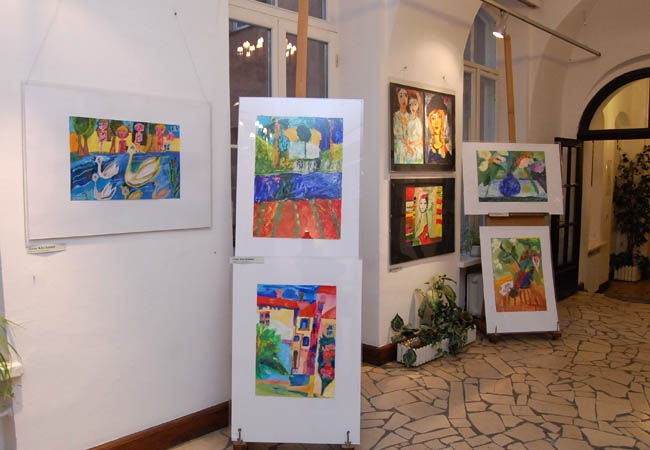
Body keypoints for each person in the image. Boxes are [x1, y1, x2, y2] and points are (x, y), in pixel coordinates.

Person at [425, 95, 451, 163]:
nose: (436, 122)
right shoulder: (430, 150)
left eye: (439, 117)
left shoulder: (447, 147)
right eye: (433, 118)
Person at [405, 92, 424, 163]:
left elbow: (420, 139)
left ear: (418, 105)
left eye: (415, 104)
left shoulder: (418, 121)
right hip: (407, 146)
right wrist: (408, 146)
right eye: (410, 104)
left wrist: (413, 144)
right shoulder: (407, 119)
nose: (412, 107)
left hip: (416, 147)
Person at [392, 87, 410, 164]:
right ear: (398, 98)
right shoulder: (395, 116)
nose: (404, 99)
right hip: (399, 149)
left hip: (409, 150)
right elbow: (396, 133)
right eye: (401, 96)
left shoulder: (410, 117)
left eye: (406, 96)